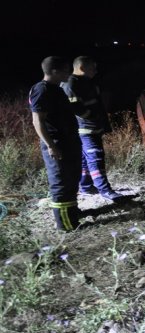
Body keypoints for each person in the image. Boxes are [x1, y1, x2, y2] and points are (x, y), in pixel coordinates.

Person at [29, 56, 82, 231]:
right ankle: (66, 226)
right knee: (61, 182)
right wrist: (51, 145)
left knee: (71, 178)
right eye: (66, 69)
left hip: (69, 142)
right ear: (54, 71)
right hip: (57, 144)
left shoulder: (56, 89)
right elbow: (38, 121)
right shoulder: (41, 90)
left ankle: (72, 214)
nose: (69, 73)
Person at [61, 56, 124, 202]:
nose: (95, 71)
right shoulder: (71, 83)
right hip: (85, 129)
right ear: (82, 68)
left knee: (85, 159)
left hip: (93, 127)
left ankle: (86, 186)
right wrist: (90, 115)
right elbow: (74, 106)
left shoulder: (85, 82)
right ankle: (105, 190)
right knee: (96, 157)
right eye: (92, 68)